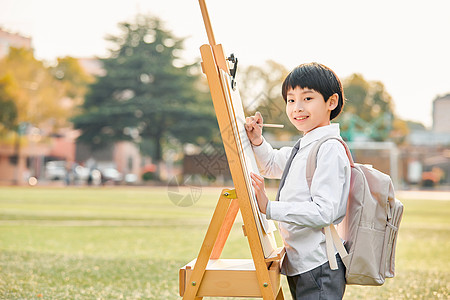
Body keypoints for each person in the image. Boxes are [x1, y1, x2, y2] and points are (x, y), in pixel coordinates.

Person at [245, 62, 351, 300]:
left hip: (319, 265)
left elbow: (325, 211)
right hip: (302, 262)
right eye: (291, 100)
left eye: (307, 98)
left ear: (331, 102)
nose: (297, 108)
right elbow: (272, 164)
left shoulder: (329, 149)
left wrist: (269, 207)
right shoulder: (306, 144)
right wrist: (258, 141)